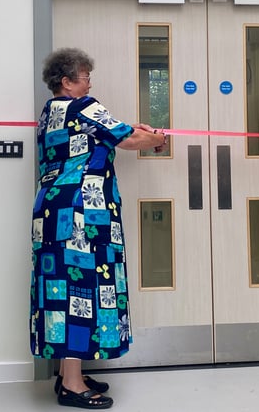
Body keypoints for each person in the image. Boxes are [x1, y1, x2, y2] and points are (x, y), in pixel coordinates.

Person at [30, 47, 168, 409]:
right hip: (81, 213)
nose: (90, 81)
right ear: (67, 81)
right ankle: (73, 385)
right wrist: (157, 137)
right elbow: (126, 139)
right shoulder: (83, 106)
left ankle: (66, 374)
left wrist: (133, 130)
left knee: (61, 289)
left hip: (52, 211)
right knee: (80, 287)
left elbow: (109, 132)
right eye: (85, 75)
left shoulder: (50, 112)